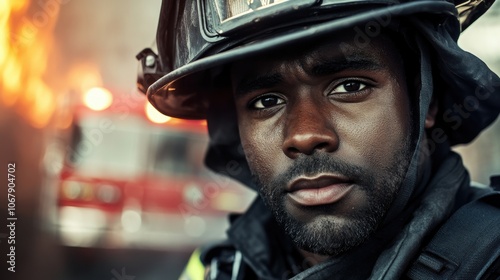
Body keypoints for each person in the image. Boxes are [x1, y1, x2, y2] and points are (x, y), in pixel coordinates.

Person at [136, 0, 500, 279]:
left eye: (350, 86)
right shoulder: (218, 269)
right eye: (266, 101)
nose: (304, 135)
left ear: (427, 100)